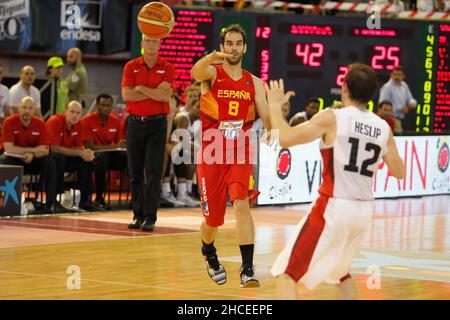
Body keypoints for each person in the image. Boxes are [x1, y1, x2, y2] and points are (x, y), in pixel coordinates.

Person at [266, 63, 406, 300]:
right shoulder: (383, 127)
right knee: (341, 274)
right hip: (363, 211)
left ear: (344, 88)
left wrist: (274, 107)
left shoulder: (333, 117)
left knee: (286, 273)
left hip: (334, 206)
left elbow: (286, 139)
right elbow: (400, 172)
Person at [191, 24, 271, 287]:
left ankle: (247, 269)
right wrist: (208, 58)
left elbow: (266, 115)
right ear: (223, 47)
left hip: (240, 151)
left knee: (242, 204)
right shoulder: (212, 73)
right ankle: (208, 250)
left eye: (238, 43)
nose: (233, 48)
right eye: (229, 43)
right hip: (212, 153)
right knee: (213, 219)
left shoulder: (255, 82)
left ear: (245, 48)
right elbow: (195, 72)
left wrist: (273, 128)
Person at [121, 34, 175, 232]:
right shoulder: (131, 66)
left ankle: (150, 217)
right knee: (134, 171)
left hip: (157, 124)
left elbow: (165, 95)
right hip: (135, 123)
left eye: (154, 41)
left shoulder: (167, 67)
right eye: (147, 40)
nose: (151, 44)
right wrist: (154, 91)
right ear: (142, 43)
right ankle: (137, 215)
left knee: (153, 171)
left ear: (160, 44)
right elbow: (127, 94)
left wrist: (141, 88)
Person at [0, 97, 71, 213]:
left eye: (30, 108)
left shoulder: (40, 124)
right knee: (3, 161)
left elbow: (45, 150)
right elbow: (8, 147)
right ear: (19, 108)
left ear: (34, 110)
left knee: (50, 162)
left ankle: (50, 202)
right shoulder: (9, 122)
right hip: (14, 158)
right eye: (24, 107)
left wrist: (32, 154)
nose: (27, 111)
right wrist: (32, 151)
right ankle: (4, 203)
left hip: (34, 159)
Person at [46, 100, 104, 212]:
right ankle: (53, 201)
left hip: (66, 157)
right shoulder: (55, 121)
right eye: (72, 112)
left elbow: (78, 147)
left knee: (86, 160)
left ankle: (85, 201)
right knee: (59, 158)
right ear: (65, 111)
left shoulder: (80, 124)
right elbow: (54, 148)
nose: (75, 115)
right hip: (51, 158)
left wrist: (85, 152)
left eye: (78, 113)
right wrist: (79, 152)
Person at [81, 93, 127, 210]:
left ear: (112, 107)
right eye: (103, 105)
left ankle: (138, 197)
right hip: (92, 157)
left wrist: (122, 148)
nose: (106, 108)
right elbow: (90, 146)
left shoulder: (116, 122)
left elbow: (120, 145)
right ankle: (99, 198)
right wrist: (114, 146)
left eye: (108, 105)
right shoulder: (87, 121)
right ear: (97, 106)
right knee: (101, 158)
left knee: (129, 159)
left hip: (109, 157)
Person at [378, 66, 416, 132]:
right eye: (395, 75)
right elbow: (382, 104)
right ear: (391, 75)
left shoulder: (404, 85)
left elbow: (411, 99)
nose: (397, 77)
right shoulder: (387, 87)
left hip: (402, 118)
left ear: (403, 76)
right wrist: (400, 108)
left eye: (399, 75)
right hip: (390, 118)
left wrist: (412, 103)